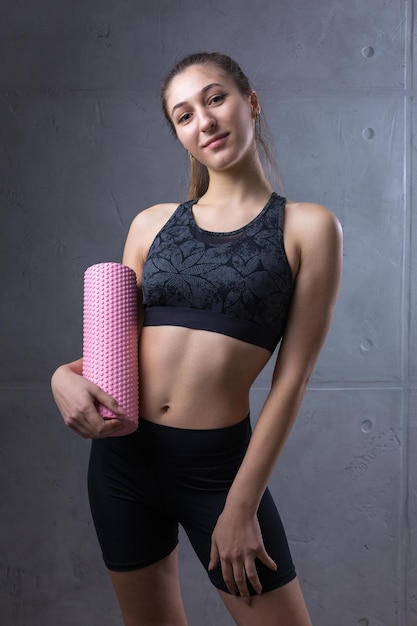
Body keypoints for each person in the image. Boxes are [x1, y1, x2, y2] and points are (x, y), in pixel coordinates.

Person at [51, 52, 342, 626]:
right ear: (181, 137)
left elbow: (294, 377)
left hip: (218, 471)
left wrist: (242, 503)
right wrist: (63, 376)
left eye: (214, 99)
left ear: (249, 102)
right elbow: (115, 352)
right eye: (184, 116)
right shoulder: (150, 224)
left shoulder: (308, 227)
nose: (204, 121)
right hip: (120, 460)